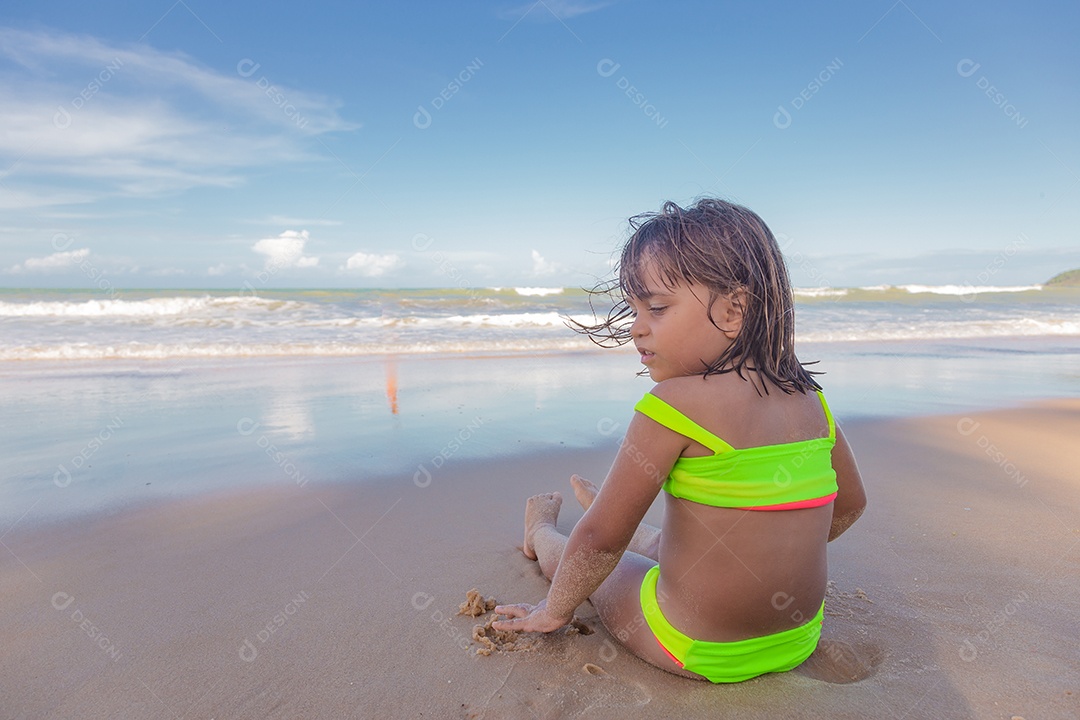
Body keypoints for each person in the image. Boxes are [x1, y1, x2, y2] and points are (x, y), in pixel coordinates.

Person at [492, 198, 867, 683]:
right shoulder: (811, 400)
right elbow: (851, 506)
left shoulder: (672, 404)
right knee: (693, 540)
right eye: (633, 310)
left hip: (690, 647)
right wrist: (771, 544)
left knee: (588, 558)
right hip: (796, 640)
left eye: (657, 308)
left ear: (734, 309)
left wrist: (553, 611)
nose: (636, 328)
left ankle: (539, 530)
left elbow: (600, 539)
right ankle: (655, 539)